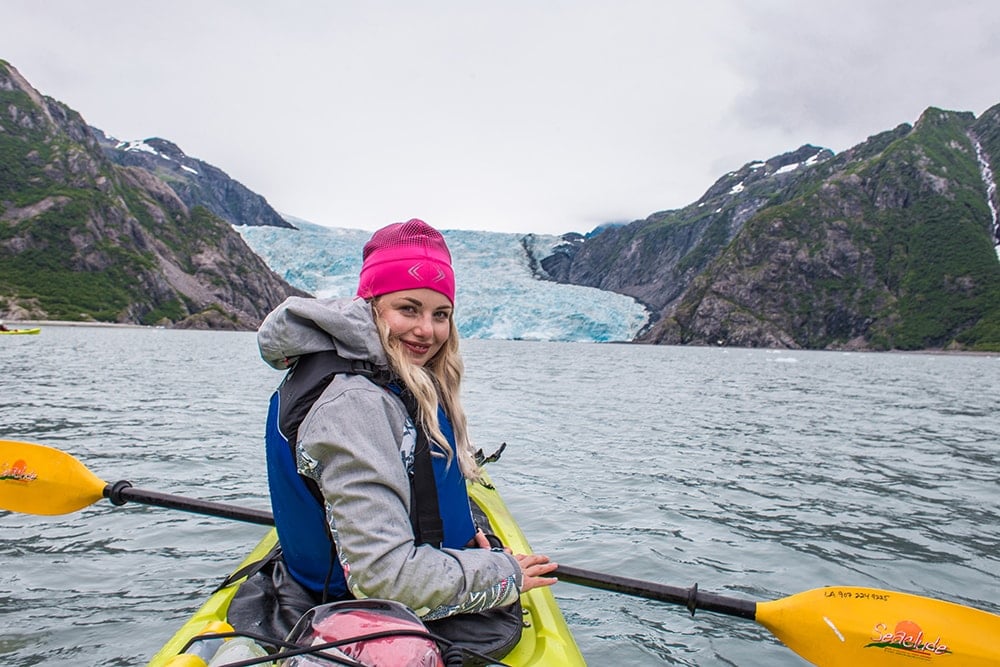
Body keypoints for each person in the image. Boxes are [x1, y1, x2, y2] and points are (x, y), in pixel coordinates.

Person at [254, 219, 557, 637]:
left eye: (441, 314)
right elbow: (383, 578)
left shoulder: (383, 372)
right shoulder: (354, 404)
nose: (427, 331)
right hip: (348, 607)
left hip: (401, 564)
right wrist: (499, 574)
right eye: (408, 308)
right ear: (372, 305)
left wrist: (464, 544)